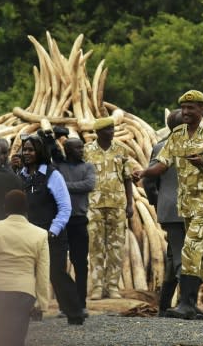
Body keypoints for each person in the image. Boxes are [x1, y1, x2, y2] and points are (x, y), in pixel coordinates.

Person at [134, 90, 203, 320]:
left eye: (192, 108)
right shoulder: (177, 134)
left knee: (190, 247)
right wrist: (144, 172)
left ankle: (187, 304)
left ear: (202, 109)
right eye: (184, 108)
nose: (187, 112)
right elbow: (162, 164)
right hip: (186, 203)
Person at [0, 189, 50, 346]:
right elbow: (43, 272)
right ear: (26, 209)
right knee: (15, 338)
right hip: (22, 293)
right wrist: (42, 303)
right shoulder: (40, 234)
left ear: (5, 208)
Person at [18, 134, 84, 325]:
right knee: (27, 275)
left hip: (51, 235)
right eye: (25, 149)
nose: (27, 153)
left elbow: (65, 207)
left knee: (57, 274)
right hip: (28, 235)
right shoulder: (21, 176)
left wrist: (53, 231)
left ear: (40, 152)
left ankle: (75, 313)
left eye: (31, 149)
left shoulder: (53, 175)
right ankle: (31, 312)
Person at [84, 117, 138, 300]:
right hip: (94, 206)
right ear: (99, 132)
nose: (112, 132)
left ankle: (113, 286)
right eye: (108, 129)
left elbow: (128, 178)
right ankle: (97, 287)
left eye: (113, 129)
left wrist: (130, 204)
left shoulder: (121, 150)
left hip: (117, 205)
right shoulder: (87, 151)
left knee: (116, 247)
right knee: (95, 246)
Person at [143, 110, 189, 317]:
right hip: (184, 210)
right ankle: (186, 304)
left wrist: (157, 202)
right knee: (182, 255)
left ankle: (164, 306)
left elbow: (149, 181)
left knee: (174, 255)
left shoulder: (160, 147)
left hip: (171, 209)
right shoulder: (192, 146)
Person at [55, 138, 96, 316]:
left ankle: (81, 304)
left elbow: (89, 185)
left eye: (82, 147)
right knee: (59, 265)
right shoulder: (58, 167)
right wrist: (69, 187)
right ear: (67, 150)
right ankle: (65, 305)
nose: (81, 150)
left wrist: (63, 186)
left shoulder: (87, 167)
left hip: (79, 220)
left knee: (80, 264)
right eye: (77, 147)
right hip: (60, 222)